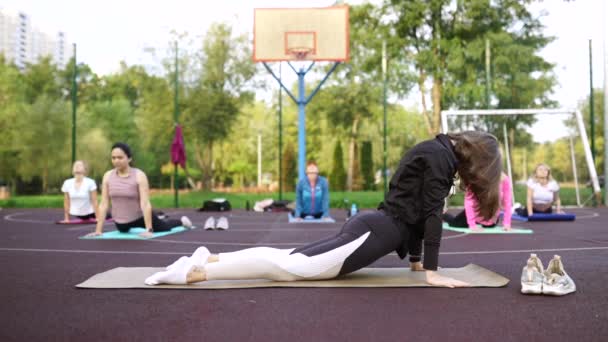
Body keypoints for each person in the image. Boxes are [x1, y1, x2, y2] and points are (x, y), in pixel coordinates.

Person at [145, 131, 502, 288]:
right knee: (288, 269)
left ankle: (209, 259)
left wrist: (415, 262)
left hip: (373, 225)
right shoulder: (441, 158)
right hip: (375, 231)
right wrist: (433, 271)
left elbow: (415, 211)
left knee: (289, 256)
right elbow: (429, 215)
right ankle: (193, 274)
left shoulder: (435, 150)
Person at [86, 142, 192, 238]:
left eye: (120, 157)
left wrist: (149, 229)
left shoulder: (139, 175)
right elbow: (104, 204)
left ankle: (181, 221)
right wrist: (98, 230)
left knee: (164, 227)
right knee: (123, 229)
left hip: (140, 217)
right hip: (121, 223)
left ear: (129, 158)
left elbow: (145, 203)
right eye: (113, 158)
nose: (116, 161)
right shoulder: (107, 176)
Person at [443, 172, 512, 231]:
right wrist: (472, 225)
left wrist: (507, 223)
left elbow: (507, 202)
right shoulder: (477, 178)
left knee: (489, 226)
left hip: (491, 219)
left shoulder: (504, 179)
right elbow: (469, 201)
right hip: (474, 213)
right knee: (453, 223)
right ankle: (443, 214)